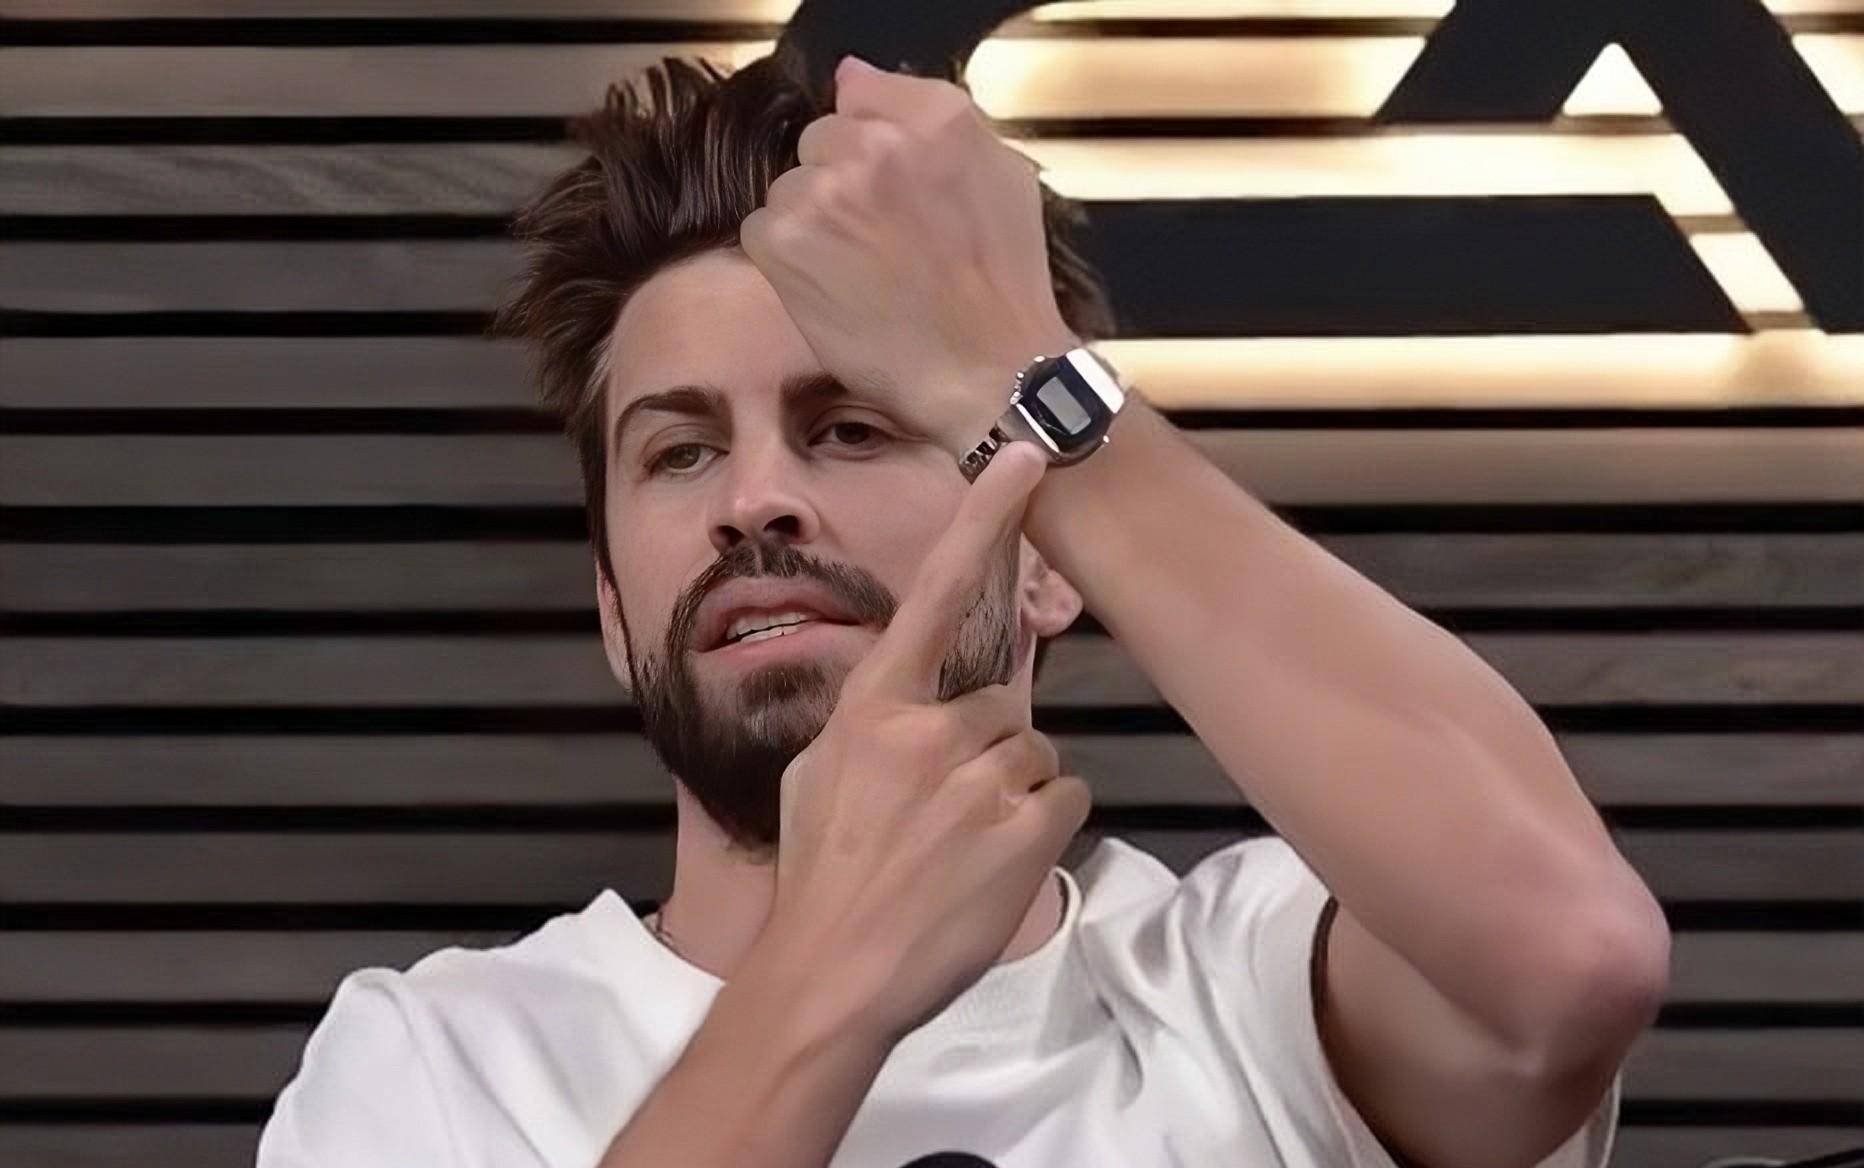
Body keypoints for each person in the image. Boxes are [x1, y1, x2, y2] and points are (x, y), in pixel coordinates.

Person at [256, 48, 1668, 1168]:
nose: (756, 500)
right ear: (616, 612)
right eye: (680, 453)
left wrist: (1012, 367)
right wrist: (830, 977)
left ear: (1055, 561)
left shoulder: (1250, 991)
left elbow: (1572, 956)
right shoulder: (437, 1063)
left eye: (853, 427)